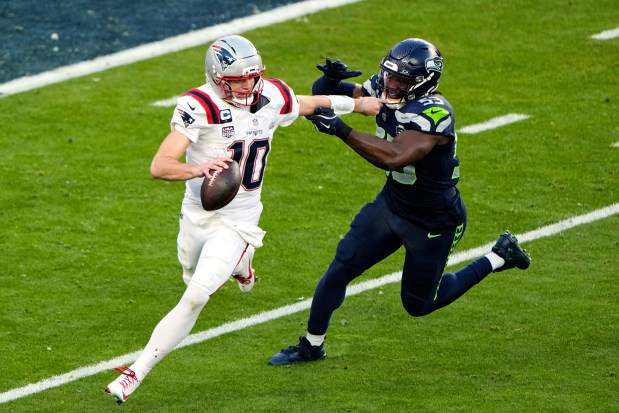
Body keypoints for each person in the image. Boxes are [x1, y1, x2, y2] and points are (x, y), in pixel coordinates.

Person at [105, 34, 383, 404]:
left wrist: (360, 105)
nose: (248, 86)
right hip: (197, 215)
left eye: (253, 77)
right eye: (238, 80)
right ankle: (243, 266)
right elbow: (160, 166)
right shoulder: (198, 104)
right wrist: (199, 168)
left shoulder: (271, 95)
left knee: (195, 296)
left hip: (239, 221)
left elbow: (310, 102)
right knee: (189, 271)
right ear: (218, 78)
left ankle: (135, 372)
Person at [268, 38, 531, 365]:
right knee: (340, 267)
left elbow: (395, 156)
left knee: (419, 304)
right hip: (393, 204)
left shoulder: (434, 112)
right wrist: (331, 81)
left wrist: (340, 130)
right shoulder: (384, 84)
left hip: (434, 220)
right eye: (388, 76)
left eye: (401, 81)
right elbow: (331, 98)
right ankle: (312, 345)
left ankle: (499, 256)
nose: (389, 85)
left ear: (423, 82)